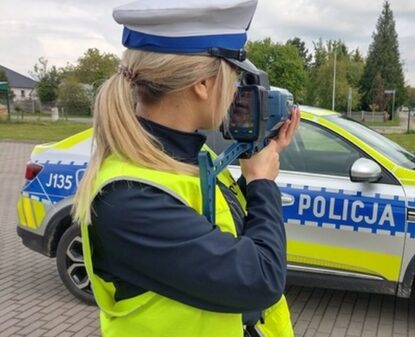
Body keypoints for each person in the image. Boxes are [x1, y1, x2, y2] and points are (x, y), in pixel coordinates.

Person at [71, 0, 299, 336]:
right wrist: (262, 183)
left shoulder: (193, 155)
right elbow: (260, 279)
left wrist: (259, 157)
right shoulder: (129, 200)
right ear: (203, 84)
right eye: (233, 74)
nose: (236, 88)